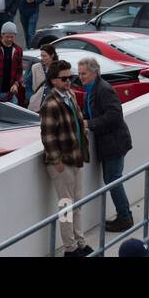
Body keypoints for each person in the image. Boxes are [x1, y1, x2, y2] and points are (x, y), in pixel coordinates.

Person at [40, 60, 92, 256]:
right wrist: (57, 162)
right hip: (62, 163)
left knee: (77, 203)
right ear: (54, 81)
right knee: (66, 206)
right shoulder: (50, 104)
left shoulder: (69, 95)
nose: (68, 81)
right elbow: (47, 136)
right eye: (64, 78)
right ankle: (69, 248)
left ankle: (80, 242)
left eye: (70, 77)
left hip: (76, 157)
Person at [79, 56, 135, 232]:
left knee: (113, 180)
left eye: (84, 74)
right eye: (79, 74)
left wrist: (90, 123)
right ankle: (125, 215)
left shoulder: (103, 89)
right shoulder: (92, 89)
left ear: (95, 72)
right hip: (111, 142)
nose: (81, 77)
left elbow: (115, 115)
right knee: (112, 179)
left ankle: (124, 218)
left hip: (114, 143)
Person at [0, 24, 26, 104]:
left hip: (10, 94)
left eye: (12, 37)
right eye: (7, 37)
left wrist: (16, 84)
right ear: (2, 34)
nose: (10, 39)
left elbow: (19, 70)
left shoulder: (18, 50)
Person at [27, 43, 57, 111]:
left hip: (52, 108)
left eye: (44, 56)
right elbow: (28, 84)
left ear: (52, 55)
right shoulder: (35, 67)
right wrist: (31, 97)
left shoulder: (58, 69)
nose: (42, 58)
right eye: (41, 56)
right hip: (36, 108)